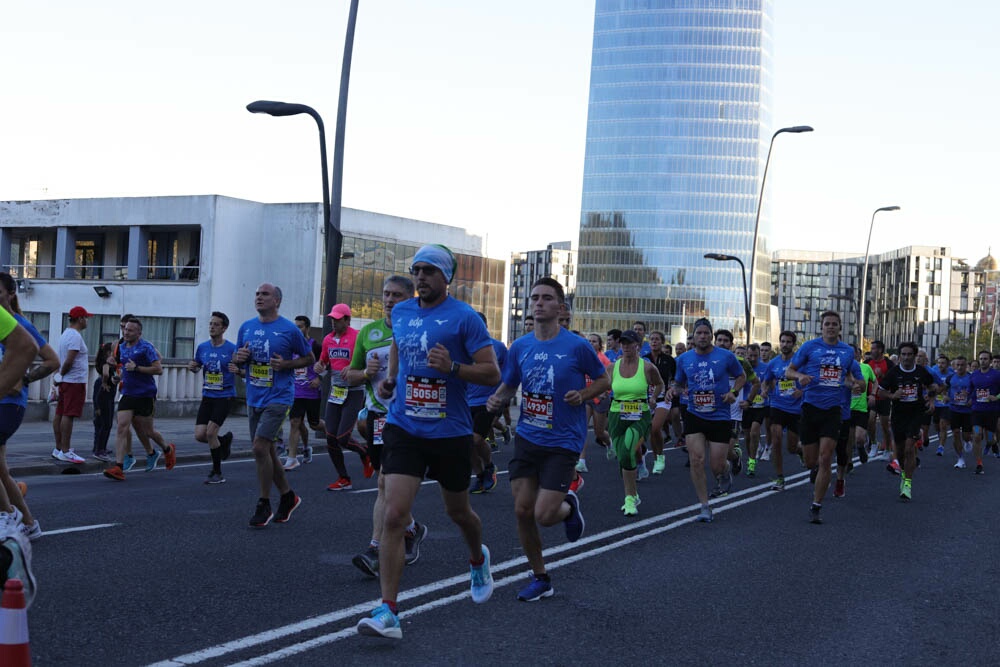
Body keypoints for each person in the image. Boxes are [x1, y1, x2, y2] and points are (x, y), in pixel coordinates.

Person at [356, 244, 499, 639]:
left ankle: (477, 558)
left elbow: (491, 373)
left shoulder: (464, 318)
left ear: (446, 277)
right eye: (416, 270)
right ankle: (388, 611)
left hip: (449, 431)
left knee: (459, 513)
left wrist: (452, 367)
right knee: (393, 514)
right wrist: (392, 377)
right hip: (404, 425)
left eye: (429, 271)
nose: (421, 277)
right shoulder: (401, 311)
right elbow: (401, 342)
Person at [486, 277, 608, 600]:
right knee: (523, 511)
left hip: (562, 441)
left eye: (546, 298)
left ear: (560, 308)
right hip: (528, 437)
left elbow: (603, 380)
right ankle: (540, 577)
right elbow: (510, 385)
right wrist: (497, 399)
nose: (538, 303)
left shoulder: (577, 346)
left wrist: (582, 395)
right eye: (534, 298)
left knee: (544, 514)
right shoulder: (521, 347)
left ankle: (568, 506)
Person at [346, 276, 429, 577]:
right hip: (379, 416)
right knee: (384, 483)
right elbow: (349, 375)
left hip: (411, 416)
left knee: (384, 483)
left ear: (410, 298)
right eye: (386, 294)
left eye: (397, 295)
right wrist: (363, 374)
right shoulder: (368, 333)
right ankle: (411, 529)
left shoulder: (421, 328)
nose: (390, 300)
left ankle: (375, 549)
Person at [231, 284, 314, 526]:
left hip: (279, 397)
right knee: (266, 451)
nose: (259, 297)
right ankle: (288, 496)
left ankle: (263, 503)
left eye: (265, 294)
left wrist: (287, 365)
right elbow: (238, 359)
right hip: (254, 396)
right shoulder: (246, 327)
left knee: (259, 448)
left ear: (277, 301)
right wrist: (240, 359)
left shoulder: (288, 329)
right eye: (257, 294)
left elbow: (310, 358)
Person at [785, 311, 864, 524]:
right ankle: (817, 469)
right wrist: (800, 376)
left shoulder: (847, 352)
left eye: (834, 324)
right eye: (827, 324)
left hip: (833, 410)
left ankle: (816, 505)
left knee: (826, 456)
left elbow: (856, 380)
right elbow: (788, 371)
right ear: (821, 327)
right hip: (811, 408)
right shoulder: (810, 347)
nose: (830, 327)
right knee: (812, 461)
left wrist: (856, 386)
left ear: (840, 328)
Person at [667, 318, 745, 522]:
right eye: (698, 333)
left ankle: (726, 471)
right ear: (693, 336)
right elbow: (678, 382)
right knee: (696, 460)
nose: (702, 337)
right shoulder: (684, 359)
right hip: (694, 414)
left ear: (711, 335)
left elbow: (741, 376)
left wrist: (733, 392)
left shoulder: (726, 356)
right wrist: (672, 391)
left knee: (716, 465)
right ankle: (704, 506)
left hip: (720, 416)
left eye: (705, 333)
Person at [0, 273, 57, 540]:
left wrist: (23, 378)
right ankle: (28, 523)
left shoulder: (20, 325)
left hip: (10, 404)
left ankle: (8, 518)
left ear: (11, 294)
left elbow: (52, 361)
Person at [102, 318, 177, 480]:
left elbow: (158, 370)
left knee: (148, 431)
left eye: (130, 330)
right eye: (125, 329)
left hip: (145, 394)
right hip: (128, 393)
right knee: (122, 427)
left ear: (139, 333)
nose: (126, 332)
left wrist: (137, 368)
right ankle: (118, 467)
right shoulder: (121, 347)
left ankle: (166, 449)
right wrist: (117, 377)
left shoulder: (146, 347)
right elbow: (125, 370)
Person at [314, 304, 372, 491]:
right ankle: (343, 478)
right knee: (330, 437)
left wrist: (356, 369)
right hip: (336, 392)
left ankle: (365, 453)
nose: (334, 322)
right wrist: (318, 371)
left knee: (343, 437)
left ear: (347, 320)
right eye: (332, 319)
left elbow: (368, 361)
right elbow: (324, 362)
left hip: (354, 392)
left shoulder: (357, 337)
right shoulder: (328, 340)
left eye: (338, 319)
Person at [875, 341, 937, 501]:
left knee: (910, 448)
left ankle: (908, 483)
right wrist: (892, 396)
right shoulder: (893, 373)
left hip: (916, 413)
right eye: (903, 354)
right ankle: (903, 473)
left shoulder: (921, 372)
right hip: (898, 414)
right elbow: (880, 392)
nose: (906, 358)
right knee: (901, 451)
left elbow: (933, 386)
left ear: (915, 356)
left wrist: (931, 401)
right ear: (900, 356)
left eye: (910, 354)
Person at [610, 329, 663, 515]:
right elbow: (603, 385)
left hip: (640, 414)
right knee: (623, 456)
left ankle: (630, 499)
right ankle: (633, 493)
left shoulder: (647, 367)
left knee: (627, 452)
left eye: (629, 343)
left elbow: (660, 384)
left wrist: (654, 397)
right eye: (622, 343)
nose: (625, 346)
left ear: (638, 346)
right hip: (616, 415)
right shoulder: (613, 367)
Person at [187, 311, 237, 484]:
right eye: (210, 324)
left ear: (224, 328)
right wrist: (192, 366)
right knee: (200, 435)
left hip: (225, 396)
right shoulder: (202, 347)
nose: (212, 327)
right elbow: (196, 366)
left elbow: (244, 370)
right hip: (208, 395)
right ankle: (224, 441)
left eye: (216, 324)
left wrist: (238, 370)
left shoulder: (232, 349)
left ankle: (217, 473)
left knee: (210, 433)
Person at [760, 331, 804, 491]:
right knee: (776, 439)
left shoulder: (800, 362)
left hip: (796, 409)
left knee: (792, 448)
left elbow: (810, 381)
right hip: (777, 405)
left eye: (788, 342)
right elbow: (765, 382)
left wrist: (802, 391)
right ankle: (779, 478)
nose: (785, 344)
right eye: (782, 341)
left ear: (793, 344)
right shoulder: (773, 363)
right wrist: (764, 391)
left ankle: (800, 452)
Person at [468, 313, 506, 494]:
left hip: (487, 401)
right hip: (463, 401)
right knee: (465, 443)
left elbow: (508, 375)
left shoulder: (497, 347)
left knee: (475, 439)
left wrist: (501, 398)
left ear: (484, 326)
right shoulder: (461, 346)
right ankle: (481, 474)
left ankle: (489, 466)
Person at [51, 306, 94, 464]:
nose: (87, 321)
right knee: (68, 415)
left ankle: (59, 448)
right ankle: (66, 451)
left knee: (60, 413)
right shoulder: (75, 336)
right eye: (86, 318)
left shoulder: (65, 334)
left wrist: (59, 377)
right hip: (74, 381)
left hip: (66, 381)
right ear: (80, 319)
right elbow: (69, 360)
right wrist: (61, 375)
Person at [282, 316, 325, 470]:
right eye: (296, 327)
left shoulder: (316, 346)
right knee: (295, 422)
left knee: (314, 424)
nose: (298, 330)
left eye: (300, 327)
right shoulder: (292, 347)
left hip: (312, 392)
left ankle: (328, 434)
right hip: (296, 392)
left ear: (307, 328)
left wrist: (319, 379)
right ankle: (292, 458)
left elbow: (328, 364)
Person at [578, 333, 613, 473]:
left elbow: (610, 379)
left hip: (600, 399)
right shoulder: (584, 357)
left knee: (599, 432)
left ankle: (609, 442)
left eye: (594, 341)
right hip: (587, 397)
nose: (591, 343)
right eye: (589, 341)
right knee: (582, 429)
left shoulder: (604, 360)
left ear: (599, 344)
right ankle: (581, 461)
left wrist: (605, 392)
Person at [644, 330, 675, 474]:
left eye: (657, 339)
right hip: (647, 399)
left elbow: (676, 378)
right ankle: (657, 458)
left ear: (662, 342)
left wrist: (671, 389)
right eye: (652, 339)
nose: (654, 341)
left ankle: (660, 456)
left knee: (655, 428)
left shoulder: (669, 360)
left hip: (663, 399)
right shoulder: (643, 359)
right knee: (651, 432)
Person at [968, 350, 1000, 475]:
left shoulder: (997, 375)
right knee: (976, 436)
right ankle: (979, 463)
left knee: (991, 439)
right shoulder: (974, 375)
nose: (983, 361)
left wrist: (997, 397)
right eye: (981, 359)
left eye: (985, 359)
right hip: (977, 410)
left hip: (992, 411)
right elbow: (971, 389)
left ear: (990, 361)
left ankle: (992, 444)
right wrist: (969, 397)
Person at [866, 340, 894, 459]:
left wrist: (883, 376)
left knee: (884, 425)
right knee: (870, 421)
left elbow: (893, 380)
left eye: (874, 348)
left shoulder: (889, 364)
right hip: (871, 397)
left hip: (884, 397)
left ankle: (887, 448)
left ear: (880, 350)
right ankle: (873, 444)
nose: (871, 351)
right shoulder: (867, 363)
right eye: (871, 348)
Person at [946, 356, 974, 468]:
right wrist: (944, 396)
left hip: (967, 411)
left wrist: (972, 399)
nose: (960, 367)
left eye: (962, 365)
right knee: (956, 433)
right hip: (954, 409)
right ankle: (960, 459)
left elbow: (976, 391)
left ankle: (968, 441)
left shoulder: (971, 378)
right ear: (954, 366)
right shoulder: (950, 378)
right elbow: (942, 389)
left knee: (966, 435)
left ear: (966, 366)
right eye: (957, 365)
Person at [92, 342, 116, 462]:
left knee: (103, 423)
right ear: (108, 353)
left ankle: (100, 447)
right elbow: (106, 373)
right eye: (113, 351)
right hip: (105, 397)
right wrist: (105, 382)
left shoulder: (109, 364)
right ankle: (99, 450)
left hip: (107, 396)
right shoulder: (106, 364)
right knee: (105, 424)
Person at [929, 354, 954, 457]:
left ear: (947, 364)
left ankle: (941, 447)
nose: (940, 365)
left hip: (947, 404)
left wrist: (948, 395)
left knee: (943, 424)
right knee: (936, 425)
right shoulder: (934, 372)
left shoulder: (952, 373)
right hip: (936, 403)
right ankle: (940, 436)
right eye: (939, 363)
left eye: (943, 363)